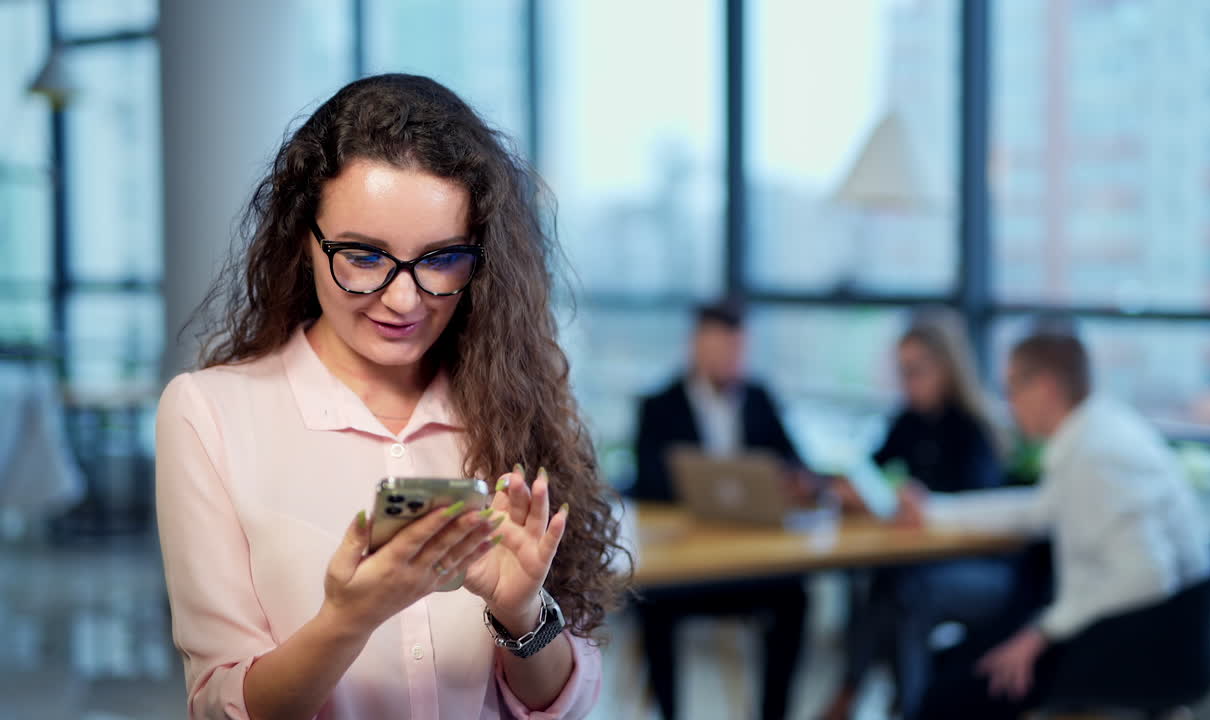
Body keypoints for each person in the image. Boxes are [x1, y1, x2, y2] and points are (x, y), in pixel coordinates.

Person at [155, 74, 625, 720]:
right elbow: (219, 706)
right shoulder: (210, 414)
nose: (404, 300)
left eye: (440, 260)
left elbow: (562, 707)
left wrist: (521, 615)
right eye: (364, 256)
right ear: (304, 239)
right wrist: (349, 619)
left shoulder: (509, 404)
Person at [900, 330, 1210, 720]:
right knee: (956, 666)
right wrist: (935, 511)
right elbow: (1036, 510)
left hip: (1134, 644)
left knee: (953, 690)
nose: (1008, 401)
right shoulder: (1096, 430)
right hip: (1131, 631)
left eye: (1012, 386)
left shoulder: (1099, 455)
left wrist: (1040, 633)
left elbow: (1147, 575)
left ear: (1045, 387)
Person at [821, 309, 1011, 720]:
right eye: (901, 371)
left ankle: (887, 701)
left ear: (945, 368)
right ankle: (874, 696)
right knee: (880, 584)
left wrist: (928, 507)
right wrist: (856, 489)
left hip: (975, 564)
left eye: (915, 370)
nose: (907, 381)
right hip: (919, 558)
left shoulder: (972, 430)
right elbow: (871, 467)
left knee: (902, 594)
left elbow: (980, 509)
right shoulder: (908, 420)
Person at [628, 300, 808, 720]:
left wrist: (793, 482)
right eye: (723, 346)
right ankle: (669, 712)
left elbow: (794, 463)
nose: (733, 357)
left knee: (794, 596)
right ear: (697, 346)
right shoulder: (659, 405)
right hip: (684, 563)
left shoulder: (760, 399)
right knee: (651, 598)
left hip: (750, 561)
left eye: (739, 348)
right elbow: (649, 483)